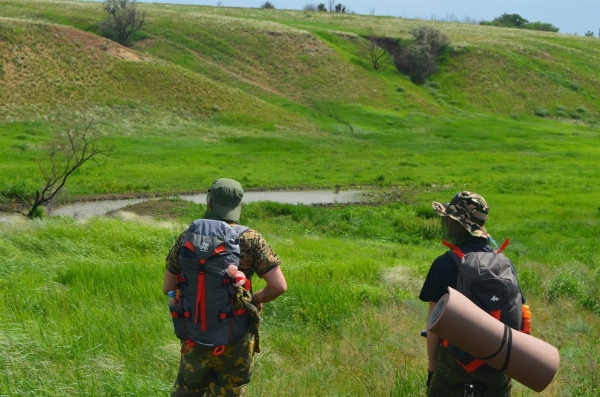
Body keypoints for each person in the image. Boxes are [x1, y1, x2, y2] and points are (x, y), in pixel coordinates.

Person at [163, 178, 287, 397]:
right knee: (230, 390)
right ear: (239, 205)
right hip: (235, 335)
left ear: (210, 203)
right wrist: (256, 298)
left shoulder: (187, 236)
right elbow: (278, 286)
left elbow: (167, 287)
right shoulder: (251, 239)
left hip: (194, 331)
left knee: (188, 389)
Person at [419, 191, 522, 397]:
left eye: (449, 219)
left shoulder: (444, 264)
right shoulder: (504, 263)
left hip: (454, 363)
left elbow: (434, 329)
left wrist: (433, 369)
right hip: (498, 363)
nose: (447, 224)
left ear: (459, 224)